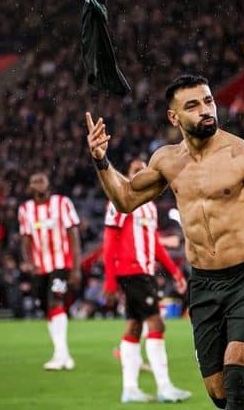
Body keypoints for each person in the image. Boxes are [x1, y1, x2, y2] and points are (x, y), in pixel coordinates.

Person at [85, 74, 244, 410]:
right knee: (219, 393)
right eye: (193, 105)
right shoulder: (167, 161)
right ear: (174, 117)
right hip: (204, 283)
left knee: (237, 377)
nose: (206, 110)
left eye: (208, 101)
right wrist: (102, 161)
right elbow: (125, 199)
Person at [102, 158, 192, 403]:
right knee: (156, 324)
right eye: (135, 170)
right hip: (131, 271)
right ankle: (164, 387)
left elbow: (155, 244)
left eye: (144, 170)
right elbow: (109, 240)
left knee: (134, 326)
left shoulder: (149, 207)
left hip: (144, 271)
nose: (140, 173)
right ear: (128, 175)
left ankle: (130, 389)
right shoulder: (120, 201)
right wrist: (109, 280)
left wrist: (175, 272)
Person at [18, 172, 82, 370]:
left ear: (48, 184)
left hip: (61, 264)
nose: (38, 184)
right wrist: (28, 262)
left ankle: (59, 356)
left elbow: (74, 236)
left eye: (42, 181)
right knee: (48, 309)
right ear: (30, 186)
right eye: (34, 182)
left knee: (56, 302)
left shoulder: (62, 203)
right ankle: (64, 355)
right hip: (40, 267)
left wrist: (76, 268)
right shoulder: (25, 209)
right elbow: (25, 239)